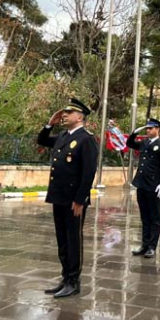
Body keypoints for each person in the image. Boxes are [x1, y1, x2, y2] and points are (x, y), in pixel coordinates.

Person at [37, 98, 98, 298]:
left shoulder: (86, 139)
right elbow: (42, 140)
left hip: (74, 200)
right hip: (59, 196)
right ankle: (65, 277)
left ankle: (74, 280)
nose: (64, 115)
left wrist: (80, 200)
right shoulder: (63, 136)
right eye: (64, 112)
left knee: (73, 240)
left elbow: (88, 172)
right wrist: (50, 123)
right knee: (62, 239)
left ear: (79, 116)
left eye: (68, 113)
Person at [127, 118, 160, 258]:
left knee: (154, 217)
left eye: (150, 128)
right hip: (141, 184)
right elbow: (129, 144)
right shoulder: (144, 143)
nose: (148, 130)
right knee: (144, 217)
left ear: (157, 129)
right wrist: (134, 133)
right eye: (147, 128)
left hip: (154, 186)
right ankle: (144, 245)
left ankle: (152, 247)